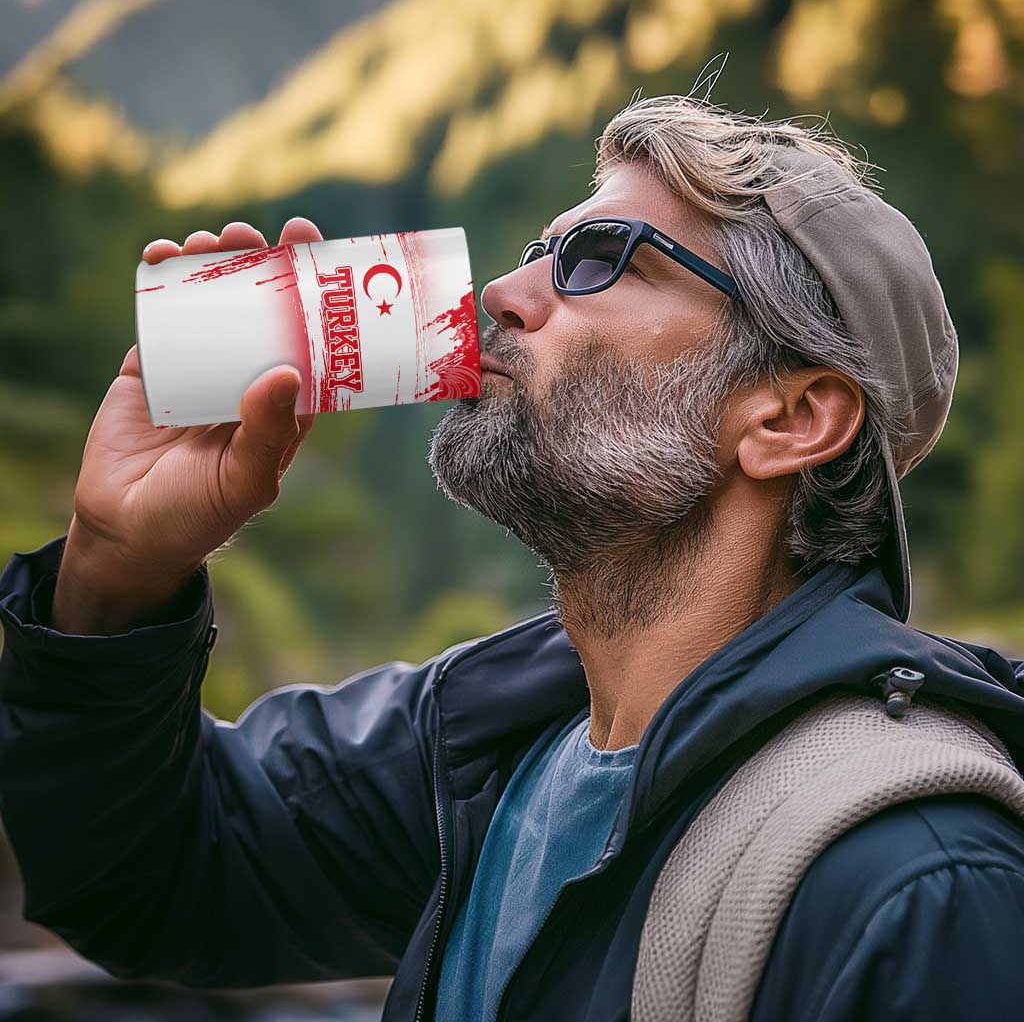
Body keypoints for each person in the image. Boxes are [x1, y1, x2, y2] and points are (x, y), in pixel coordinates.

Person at [2, 93, 1024, 1022]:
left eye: (601, 258)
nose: (502, 290)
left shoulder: (918, 885)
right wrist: (116, 572)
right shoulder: (483, 745)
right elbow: (150, 877)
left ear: (790, 419)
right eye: (541, 250)